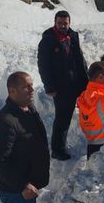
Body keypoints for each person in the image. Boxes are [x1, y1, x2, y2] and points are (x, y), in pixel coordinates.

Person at [0, 72, 50, 203]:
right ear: (12, 91)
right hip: (19, 194)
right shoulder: (6, 121)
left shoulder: (29, 109)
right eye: (26, 87)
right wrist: (22, 185)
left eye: (31, 85)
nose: (31, 90)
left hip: (33, 187)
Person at [37, 10, 88, 160]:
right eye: (60, 23)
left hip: (77, 83)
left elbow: (80, 59)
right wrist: (50, 87)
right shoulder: (47, 40)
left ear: (69, 22)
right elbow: (43, 65)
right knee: (63, 118)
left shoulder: (73, 36)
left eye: (65, 23)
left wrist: (86, 81)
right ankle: (58, 150)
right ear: (55, 22)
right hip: (60, 87)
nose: (63, 26)